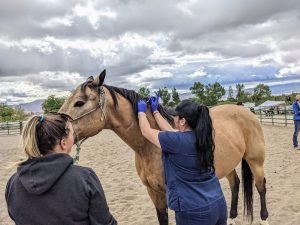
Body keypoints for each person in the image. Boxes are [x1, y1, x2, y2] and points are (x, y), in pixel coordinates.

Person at [5, 113, 117, 225]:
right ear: (63, 143)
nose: (74, 138)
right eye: (72, 134)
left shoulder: (13, 183)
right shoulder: (85, 178)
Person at [137, 96, 227, 225]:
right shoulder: (201, 137)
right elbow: (169, 130)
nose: (173, 118)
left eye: (175, 116)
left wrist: (141, 112)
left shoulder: (176, 141)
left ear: (183, 121)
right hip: (218, 203)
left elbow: (146, 131)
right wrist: (155, 111)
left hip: (194, 212)